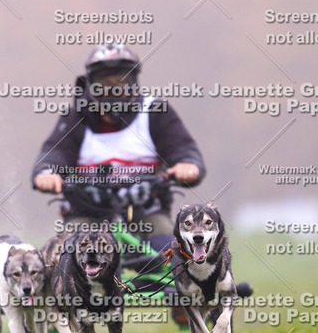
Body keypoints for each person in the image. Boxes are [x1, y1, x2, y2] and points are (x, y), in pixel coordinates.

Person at [32, 43, 206, 249]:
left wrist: (187, 164)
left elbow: (182, 148)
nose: (114, 89)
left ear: (134, 83)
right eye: (105, 83)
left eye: (122, 81)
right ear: (91, 85)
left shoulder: (155, 112)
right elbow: (55, 153)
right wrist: (47, 173)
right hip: (86, 215)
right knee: (65, 255)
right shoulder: (75, 118)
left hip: (146, 213)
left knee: (179, 255)